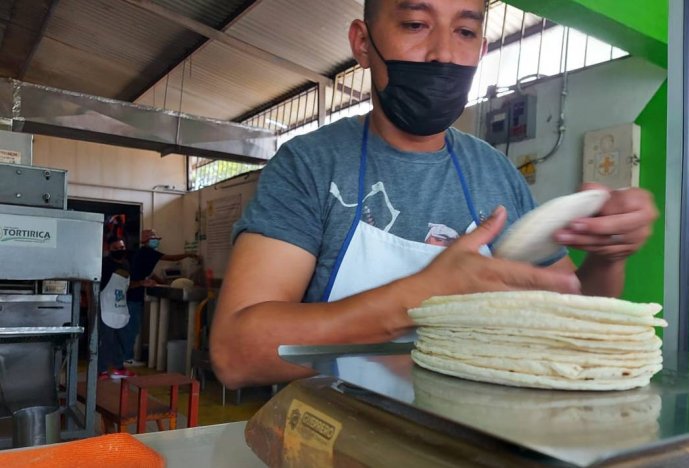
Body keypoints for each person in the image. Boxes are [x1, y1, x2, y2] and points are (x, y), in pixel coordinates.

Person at [210, 0, 658, 388]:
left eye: (464, 32)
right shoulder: (311, 164)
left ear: (481, 49)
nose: (443, 53)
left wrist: (606, 255)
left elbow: (576, 316)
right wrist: (421, 298)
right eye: (415, 25)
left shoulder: (495, 173)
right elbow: (235, 354)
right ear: (363, 44)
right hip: (335, 438)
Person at [123, 229, 199, 366]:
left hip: (135, 294)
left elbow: (150, 274)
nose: (156, 241)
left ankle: (128, 357)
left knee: (134, 326)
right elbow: (170, 258)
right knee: (132, 327)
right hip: (133, 294)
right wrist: (190, 254)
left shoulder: (144, 254)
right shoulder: (147, 252)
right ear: (145, 240)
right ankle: (127, 358)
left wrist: (164, 284)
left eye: (157, 238)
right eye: (153, 238)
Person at [98, 238, 135, 379]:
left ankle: (119, 367)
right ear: (110, 249)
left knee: (121, 340)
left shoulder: (126, 264)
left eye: (122, 247)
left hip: (120, 306)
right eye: (117, 248)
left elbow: (127, 285)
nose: (120, 250)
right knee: (105, 341)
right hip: (105, 307)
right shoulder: (104, 264)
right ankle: (102, 370)